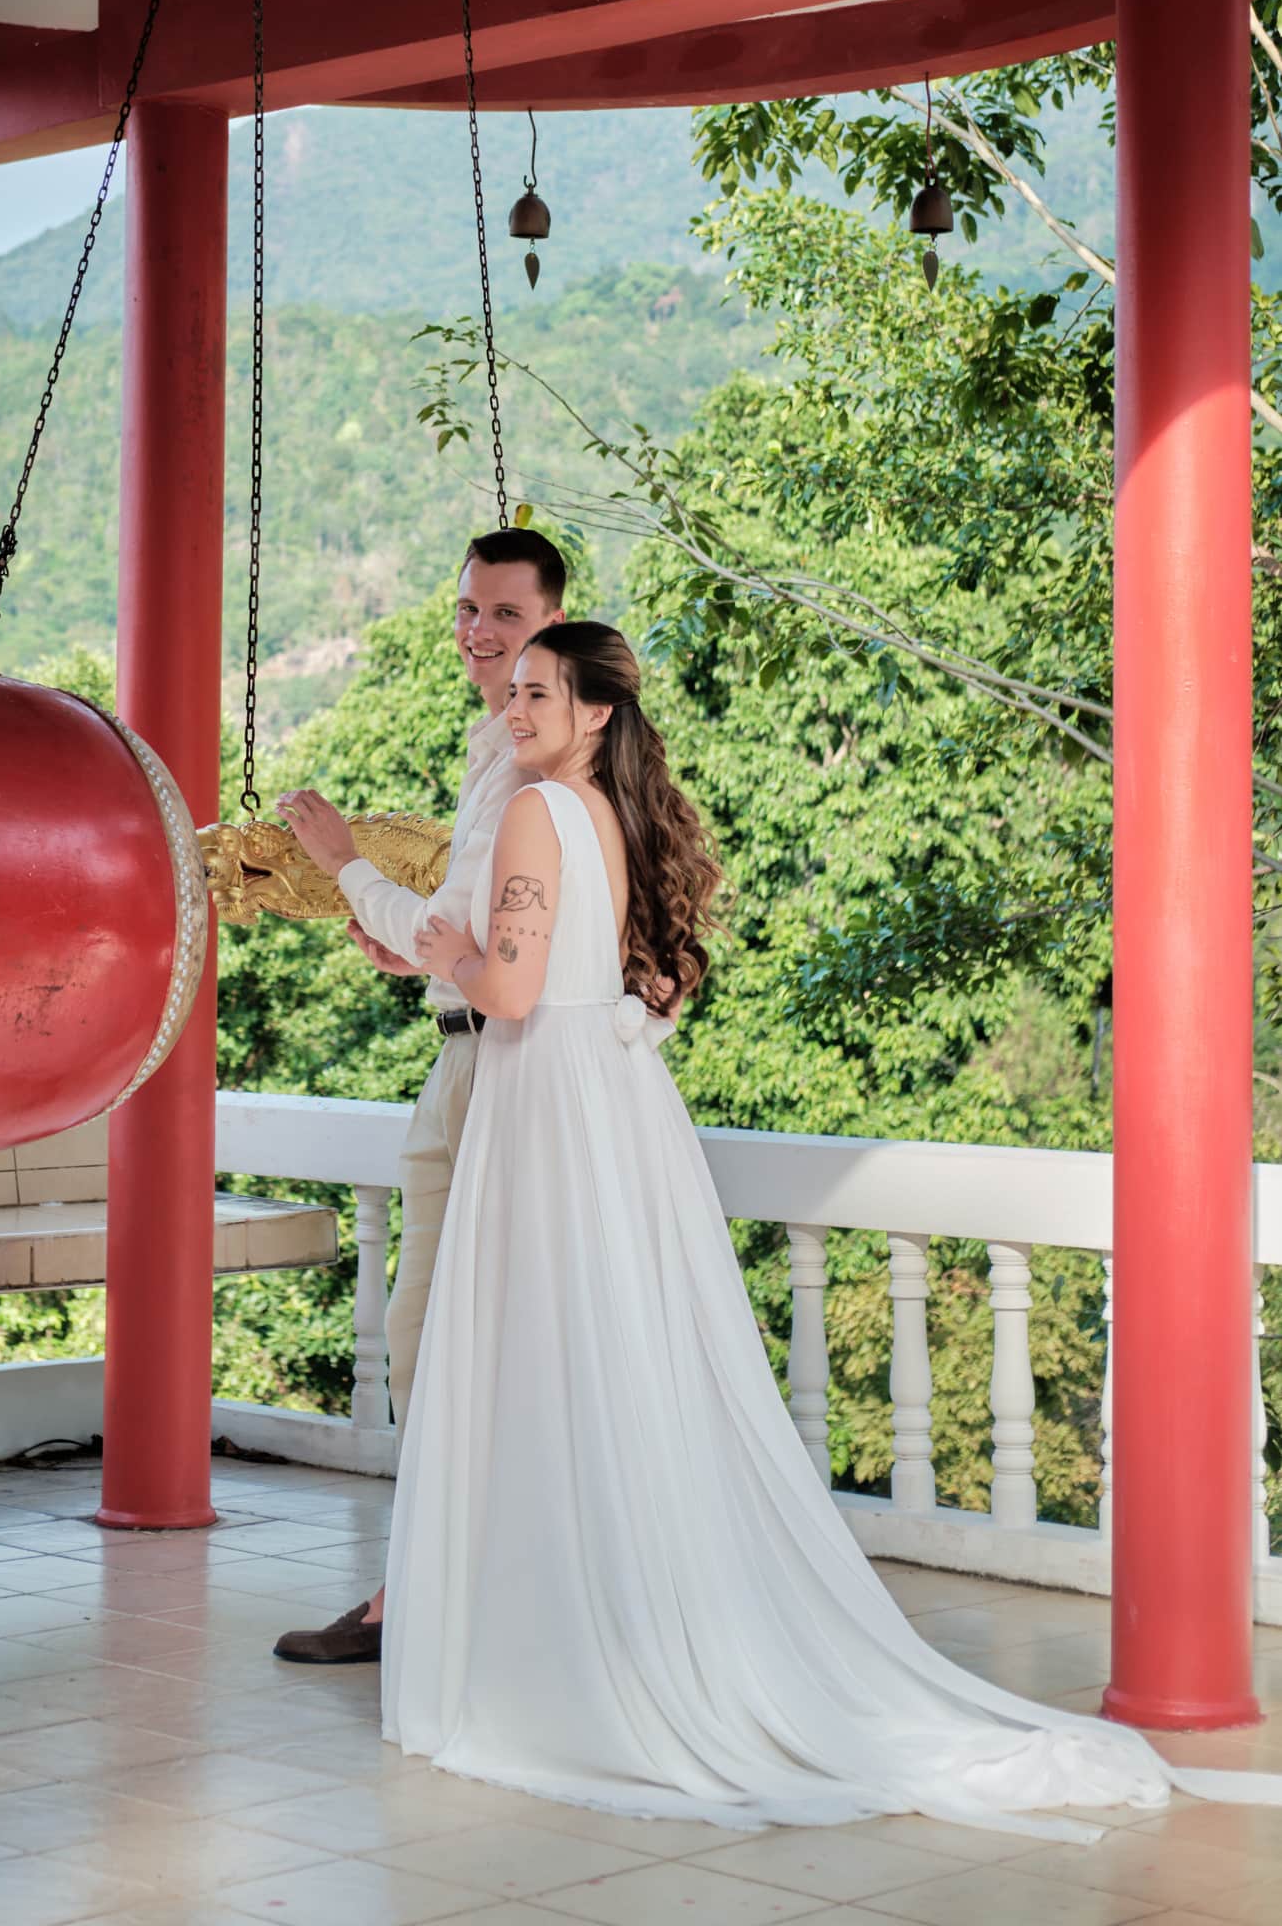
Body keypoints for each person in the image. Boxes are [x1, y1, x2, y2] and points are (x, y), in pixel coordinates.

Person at [385, 621, 1280, 1842]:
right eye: (513, 691)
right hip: (610, 1103)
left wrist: (446, 950)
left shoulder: (541, 813)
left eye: (539, 691)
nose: (515, 707)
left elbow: (518, 990)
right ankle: (612, 1617)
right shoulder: (613, 815)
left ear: (595, 711)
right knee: (607, 1360)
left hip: (547, 1099)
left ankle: (554, 1646)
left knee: (543, 1360)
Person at [268, 526, 566, 1665]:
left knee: (454, 1334)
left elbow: (467, 930)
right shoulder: (493, 751)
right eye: (466, 611)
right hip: (458, 1050)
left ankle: (436, 1594)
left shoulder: (536, 763)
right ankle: (432, 1582)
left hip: (500, 1062)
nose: (478, 634)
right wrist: (419, 950)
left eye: (505, 614)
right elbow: (458, 929)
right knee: (423, 1331)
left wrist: (343, 860)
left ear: (553, 625)